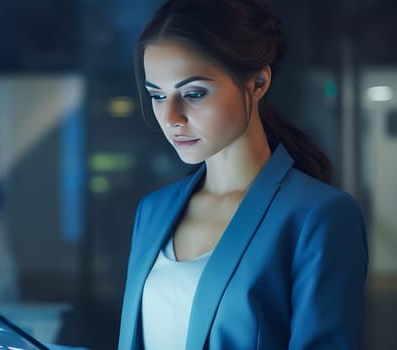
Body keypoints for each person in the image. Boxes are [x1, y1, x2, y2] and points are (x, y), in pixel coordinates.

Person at [118, 1, 368, 349]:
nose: (171, 117)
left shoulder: (318, 216)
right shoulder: (153, 211)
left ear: (258, 82)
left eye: (193, 93)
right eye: (157, 96)